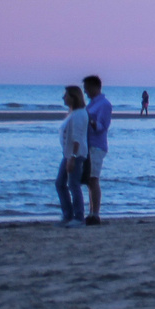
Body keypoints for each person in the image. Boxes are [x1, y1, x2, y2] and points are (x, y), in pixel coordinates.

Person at [55, 85, 89, 227]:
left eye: (66, 95)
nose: (63, 97)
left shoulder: (79, 114)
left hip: (75, 155)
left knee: (73, 184)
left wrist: (73, 158)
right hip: (68, 154)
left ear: (73, 97)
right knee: (60, 183)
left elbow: (77, 138)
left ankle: (79, 217)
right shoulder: (73, 113)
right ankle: (68, 215)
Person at [83, 75, 112, 225]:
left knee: (93, 179)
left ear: (95, 87)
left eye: (87, 88)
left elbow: (102, 127)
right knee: (89, 180)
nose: (85, 92)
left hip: (97, 146)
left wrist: (90, 121)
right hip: (88, 145)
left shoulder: (104, 104)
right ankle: (91, 212)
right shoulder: (91, 104)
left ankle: (95, 213)